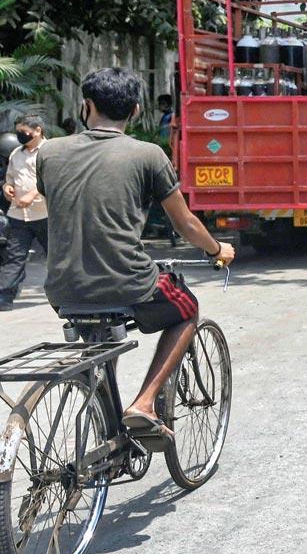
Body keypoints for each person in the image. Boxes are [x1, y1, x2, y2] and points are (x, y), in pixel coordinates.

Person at [36, 67, 235, 449]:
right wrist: (216, 250)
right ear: (137, 110)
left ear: (86, 106)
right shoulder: (148, 155)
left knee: (100, 337)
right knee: (188, 308)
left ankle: (107, 427)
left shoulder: (50, 152)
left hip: (61, 287)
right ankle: (145, 404)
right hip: (127, 279)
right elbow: (186, 224)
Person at [0, 115, 50, 311]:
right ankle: (4, 298)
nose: (20, 135)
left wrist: (32, 194)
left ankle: (69, 294)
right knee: (14, 257)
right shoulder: (16, 154)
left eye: (24, 131)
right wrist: (7, 188)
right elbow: (10, 178)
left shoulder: (50, 151)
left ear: (37, 130)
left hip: (45, 213)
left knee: (56, 256)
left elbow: (51, 178)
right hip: (18, 214)